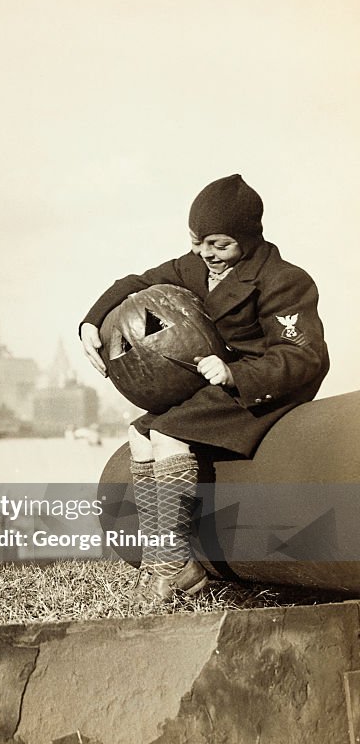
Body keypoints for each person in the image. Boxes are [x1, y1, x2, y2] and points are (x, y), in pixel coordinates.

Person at [79, 174, 330, 600]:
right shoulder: (195, 265)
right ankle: (161, 558)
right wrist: (90, 321)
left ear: (248, 237)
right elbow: (136, 282)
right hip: (217, 386)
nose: (205, 254)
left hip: (263, 388)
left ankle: (176, 563)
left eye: (218, 244)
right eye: (197, 241)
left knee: (167, 433)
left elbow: (305, 357)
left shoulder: (284, 280)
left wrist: (237, 375)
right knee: (139, 434)